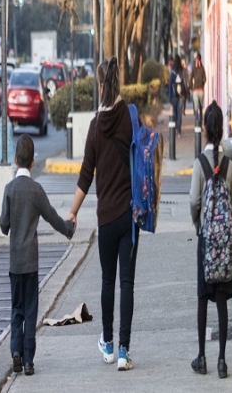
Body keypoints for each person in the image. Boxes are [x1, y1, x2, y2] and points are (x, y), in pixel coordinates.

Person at [68, 56, 139, 371]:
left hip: (106, 218)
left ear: (100, 86)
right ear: (118, 82)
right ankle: (124, 351)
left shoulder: (96, 126)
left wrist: (72, 212)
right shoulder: (129, 117)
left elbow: (85, 175)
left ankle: (108, 345)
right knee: (127, 283)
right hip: (129, 214)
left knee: (108, 281)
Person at [0, 134, 74, 376]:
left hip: (13, 263)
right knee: (31, 311)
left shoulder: (9, 189)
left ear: (15, 159)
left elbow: (4, 225)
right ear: (33, 162)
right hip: (31, 263)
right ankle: (29, 359)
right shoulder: (36, 190)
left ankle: (16, 353)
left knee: (16, 310)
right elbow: (52, 216)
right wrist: (68, 228)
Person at [189, 101, 232, 379]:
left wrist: (200, 225)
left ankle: (201, 357)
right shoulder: (228, 165)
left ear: (205, 130)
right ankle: (222, 361)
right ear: (222, 129)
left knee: (201, 298)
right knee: (221, 300)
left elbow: (194, 201)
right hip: (224, 246)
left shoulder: (200, 163)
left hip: (206, 242)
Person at [168, 54, 187, 138]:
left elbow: (169, 85)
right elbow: (185, 83)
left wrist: (169, 98)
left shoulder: (172, 72)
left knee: (174, 113)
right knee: (179, 113)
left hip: (174, 96)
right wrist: (186, 93)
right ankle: (179, 131)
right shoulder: (182, 71)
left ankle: (175, 129)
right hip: (181, 96)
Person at [190, 53, 207, 124]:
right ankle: (197, 122)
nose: (196, 61)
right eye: (196, 59)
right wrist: (191, 87)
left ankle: (199, 122)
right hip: (197, 90)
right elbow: (191, 78)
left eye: (197, 59)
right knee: (197, 107)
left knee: (199, 107)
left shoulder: (201, 68)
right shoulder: (196, 68)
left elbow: (205, 78)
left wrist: (201, 83)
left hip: (199, 90)